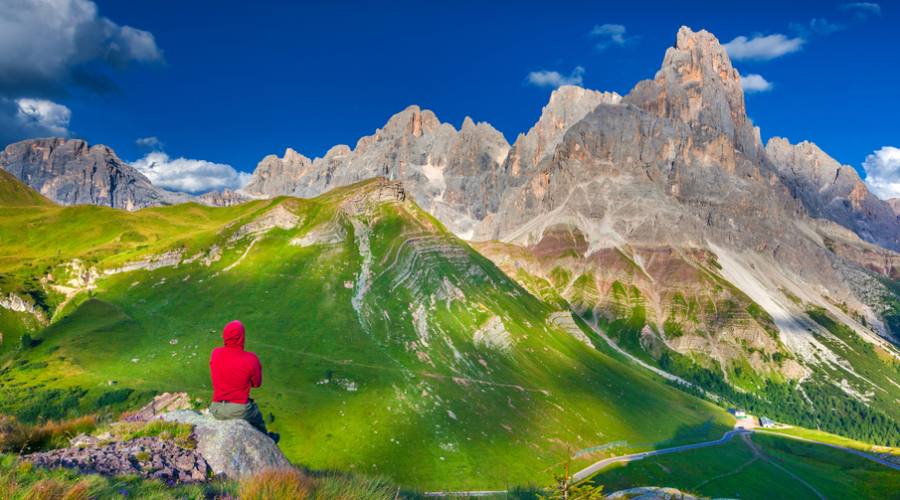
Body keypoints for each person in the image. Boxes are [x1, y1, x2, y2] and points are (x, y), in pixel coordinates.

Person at [209, 320, 268, 434]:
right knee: (258, 418)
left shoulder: (215, 353)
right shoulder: (251, 359)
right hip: (239, 410)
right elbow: (257, 384)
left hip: (216, 408)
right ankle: (268, 440)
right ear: (242, 337)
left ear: (225, 336)